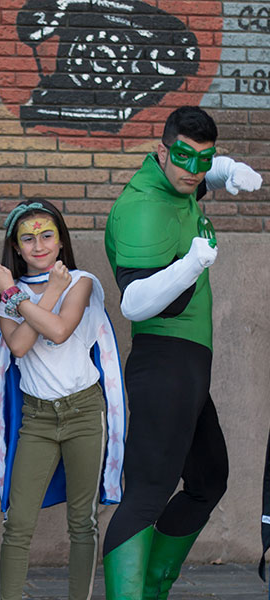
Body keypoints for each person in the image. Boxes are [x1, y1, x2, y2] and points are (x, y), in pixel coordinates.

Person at [103, 106, 263, 599]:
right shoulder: (142, 208)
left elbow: (194, 167)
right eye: (182, 157)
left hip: (192, 363)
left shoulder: (181, 178)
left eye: (203, 159)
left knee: (208, 478)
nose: (192, 170)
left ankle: (153, 586)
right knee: (147, 493)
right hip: (164, 361)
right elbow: (134, 302)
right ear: (159, 151)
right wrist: (191, 264)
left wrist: (227, 167)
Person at [0, 200, 125, 600]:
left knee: (83, 522)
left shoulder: (81, 281)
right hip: (38, 419)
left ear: (61, 240)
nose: (38, 244)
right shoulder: (3, 296)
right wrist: (25, 292)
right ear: (16, 245)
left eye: (47, 235)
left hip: (83, 411)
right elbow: (21, 346)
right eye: (28, 238)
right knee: (17, 523)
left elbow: (60, 330)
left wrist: (27, 294)